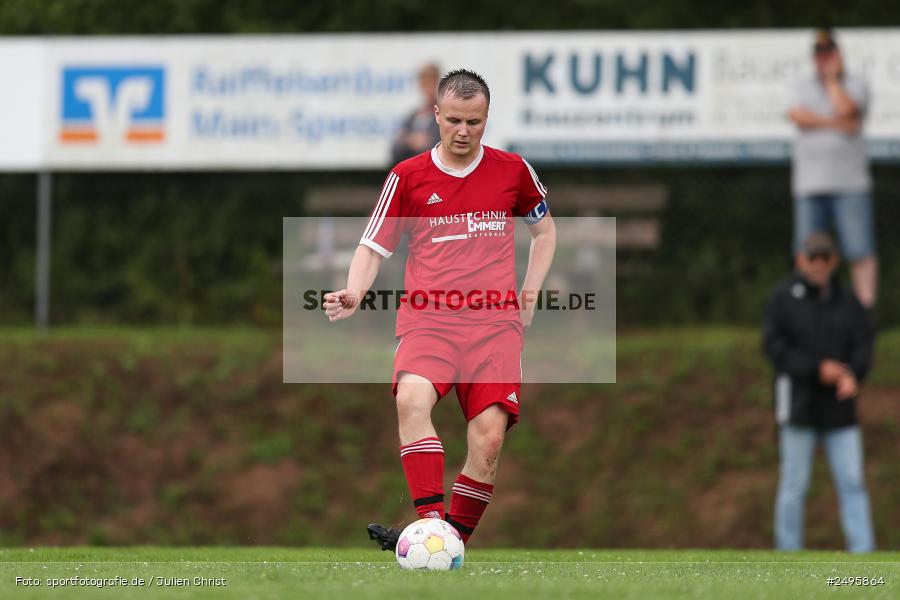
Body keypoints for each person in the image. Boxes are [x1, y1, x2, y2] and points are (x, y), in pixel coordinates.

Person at [324, 69, 556, 550]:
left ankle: (449, 542)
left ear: (487, 118)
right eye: (453, 120)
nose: (463, 131)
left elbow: (546, 232)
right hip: (429, 320)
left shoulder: (514, 170)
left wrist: (530, 291)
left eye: (474, 121)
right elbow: (371, 248)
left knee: (489, 439)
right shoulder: (407, 178)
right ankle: (431, 528)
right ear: (436, 115)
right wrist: (354, 291)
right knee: (411, 400)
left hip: (495, 325)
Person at [762, 231, 875, 553]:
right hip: (800, 405)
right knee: (794, 485)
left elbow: (864, 344)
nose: (819, 264)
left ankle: (863, 556)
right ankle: (788, 554)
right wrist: (815, 370)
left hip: (840, 408)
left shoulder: (848, 301)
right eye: (813, 257)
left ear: (834, 261)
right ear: (800, 259)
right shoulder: (783, 298)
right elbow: (775, 347)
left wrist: (853, 375)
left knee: (852, 481)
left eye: (825, 258)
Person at [787, 28, 877, 308]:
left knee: (859, 250)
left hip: (851, 184)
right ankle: (805, 313)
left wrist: (832, 82)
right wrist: (837, 125)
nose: (824, 58)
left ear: (839, 54)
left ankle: (864, 313)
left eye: (829, 52)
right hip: (810, 184)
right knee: (806, 252)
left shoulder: (856, 83)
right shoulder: (800, 84)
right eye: (819, 53)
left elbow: (848, 110)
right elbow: (798, 116)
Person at [390, 63, 442, 164]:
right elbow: (395, 149)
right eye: (426, 83)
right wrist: (411, 141)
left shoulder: (445, 115)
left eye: (432, 83)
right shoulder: (413, 116)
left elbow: (442, 148)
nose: (429, 89)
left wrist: (426, 143)